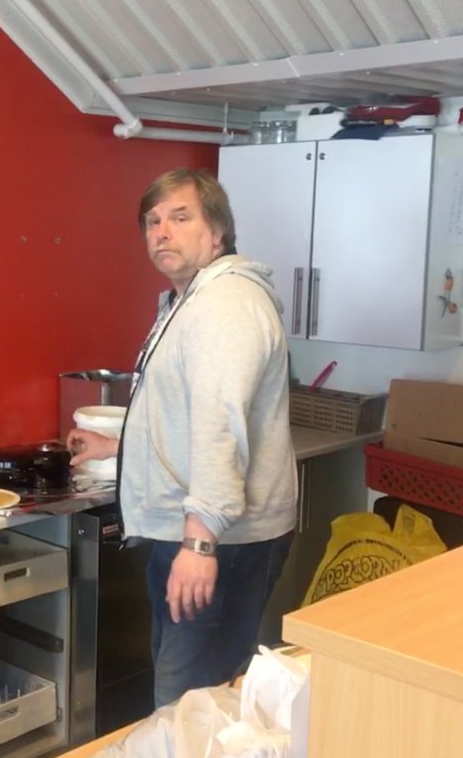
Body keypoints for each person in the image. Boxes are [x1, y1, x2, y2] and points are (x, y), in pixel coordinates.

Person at [67, 168, 297, 708]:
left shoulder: (224, 305)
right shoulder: (189, 300)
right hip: (197, 532)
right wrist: (118, 449)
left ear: (217, 232)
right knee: (185, 698)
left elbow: (219, 423)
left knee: (190, 708)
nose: (162, 232)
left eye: (180, 217)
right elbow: (184, 416)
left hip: (222, 541)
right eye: (152, 222)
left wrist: (199, 543)